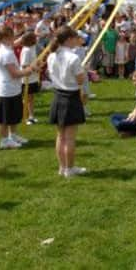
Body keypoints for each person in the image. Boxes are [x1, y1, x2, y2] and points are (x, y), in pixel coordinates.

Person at [47, 26, 88, 177]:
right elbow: (80, 80)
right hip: (70, 96)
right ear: (69, 39)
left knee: (61, 135)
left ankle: (62, 167)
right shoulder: (73, 58)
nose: (77, 40)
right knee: (69, 137)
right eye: (75, 38)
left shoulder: (51, 56)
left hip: (58, 95)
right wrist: (84, 71)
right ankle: (69, 169)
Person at [0, 26, 39, 150]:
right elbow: (14, 73)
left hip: (13, 88)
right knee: (4, 117)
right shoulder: (6, 53)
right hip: (7, 89)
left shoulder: (6, 48)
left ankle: (12, 135)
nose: (14, 37)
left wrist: (24, 36)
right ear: (6, 38)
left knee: (14, 114)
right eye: (12, 35)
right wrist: (30, 69)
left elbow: (16, 43)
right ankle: (4, 140)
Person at [110, 68, 136, 137]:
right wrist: (131, 115)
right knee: (114, 116)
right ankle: (129, 130)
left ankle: (131, 131)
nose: (133, 83)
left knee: (121, 124)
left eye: (135, 81)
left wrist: (130, 119)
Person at [19, 31, 39, 125]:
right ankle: (24, 116)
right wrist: (35, 68)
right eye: (35, 38)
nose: (37, 39)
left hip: (33, 78)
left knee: (31, 98)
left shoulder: (32, 48)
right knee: (26, 98)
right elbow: (24, 65)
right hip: (27, 79)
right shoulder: (26, 50)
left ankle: (31, 116)